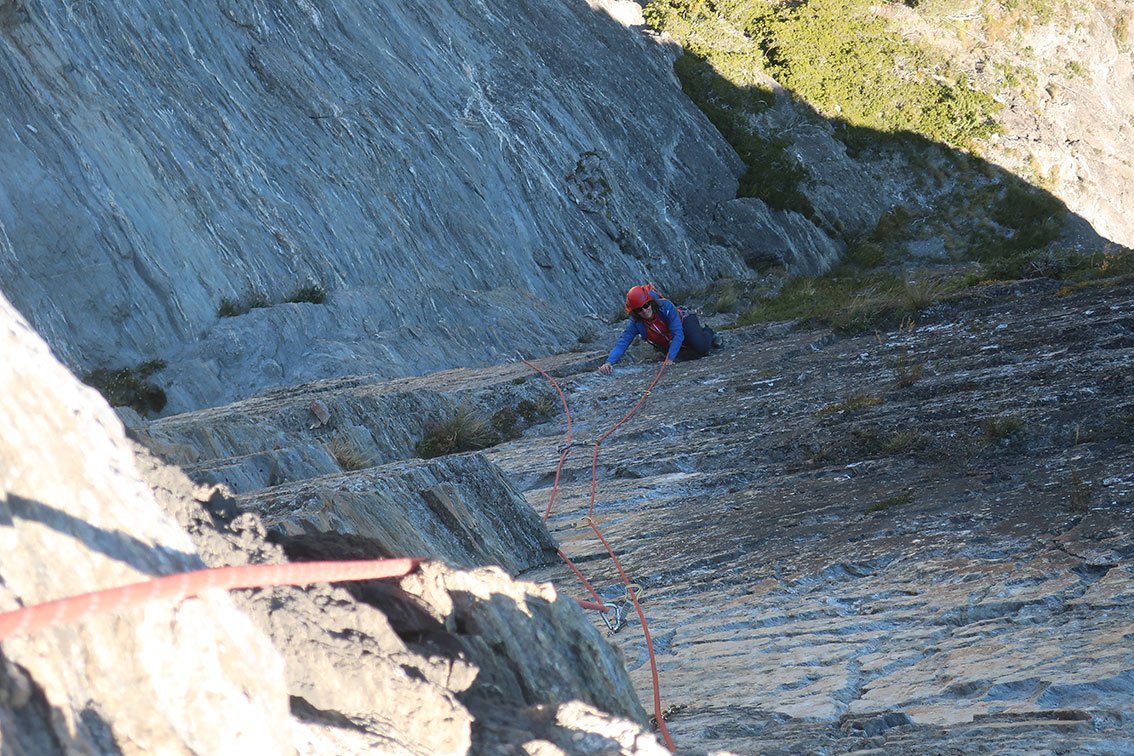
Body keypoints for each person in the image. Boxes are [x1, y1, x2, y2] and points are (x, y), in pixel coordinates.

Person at [597, 284, 722, 375]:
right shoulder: (636, 323)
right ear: (634, 312)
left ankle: (709, 332)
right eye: (639, 309)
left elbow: (678, 333)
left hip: (684, 321)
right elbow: (623, 342)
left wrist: (670, 358)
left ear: (650, 302)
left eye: (646, 305)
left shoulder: (666, 306)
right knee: (687, 354)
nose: (644, 311)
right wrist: (609, 362)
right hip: (667, 338)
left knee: (701, 347)